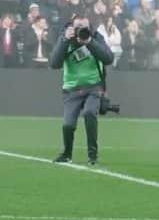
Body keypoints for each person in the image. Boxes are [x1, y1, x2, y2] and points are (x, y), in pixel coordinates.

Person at [49, 14, 114, 165]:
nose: (81, 30)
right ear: (72, 27)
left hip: (93, 87)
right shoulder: (65, 38)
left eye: (85, 27)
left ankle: (93, 156)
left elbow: (108, 58)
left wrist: (90, 42)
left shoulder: (95, 37)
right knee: (68, 125)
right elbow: (54, 63)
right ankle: (67, 154)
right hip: (72, 89)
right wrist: (65, 40)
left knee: (90, 113)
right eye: (78, 27)